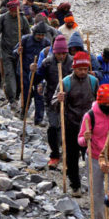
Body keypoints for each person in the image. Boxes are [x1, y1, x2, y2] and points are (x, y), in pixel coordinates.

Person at [78, 84, 109, 219]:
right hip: (95, 157)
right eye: (105, 103)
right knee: (97, 194)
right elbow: (80, 140)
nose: (108, 106)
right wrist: (86, 138)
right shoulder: (90, 116)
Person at [55, 51, 98, 196]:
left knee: (91, 156)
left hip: (89, 126)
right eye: (79, 69)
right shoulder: (65, 82)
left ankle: (93, 185)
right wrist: (58, 99)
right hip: (71, 124)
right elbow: (53, 103)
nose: (82, 72)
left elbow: (99, 103)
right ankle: (75, 185)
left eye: (85, 69)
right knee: (71, 157)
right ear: (74, 68)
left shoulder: (93, 81)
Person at [38, 35, 73, 169]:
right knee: (53, 126)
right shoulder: (47, 63)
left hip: (69, 101)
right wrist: (35, 71)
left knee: (67, 127)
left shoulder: (72, 63)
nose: (61, 56)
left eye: (64, 53)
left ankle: (67, 154)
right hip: (51, 99)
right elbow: (36, 79)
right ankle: (54, 154)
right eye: (59, 53)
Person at [0, 0, 31, 106]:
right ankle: (11, 98)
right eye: (12, 11)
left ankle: (17, 95)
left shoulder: (22, 19)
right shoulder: (3, 18)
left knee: (19, 74)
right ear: (9, 10)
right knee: (9, 74)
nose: (14, 13)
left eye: (16, 11)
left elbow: (28, 35)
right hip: (6, 51)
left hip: (19, 52)